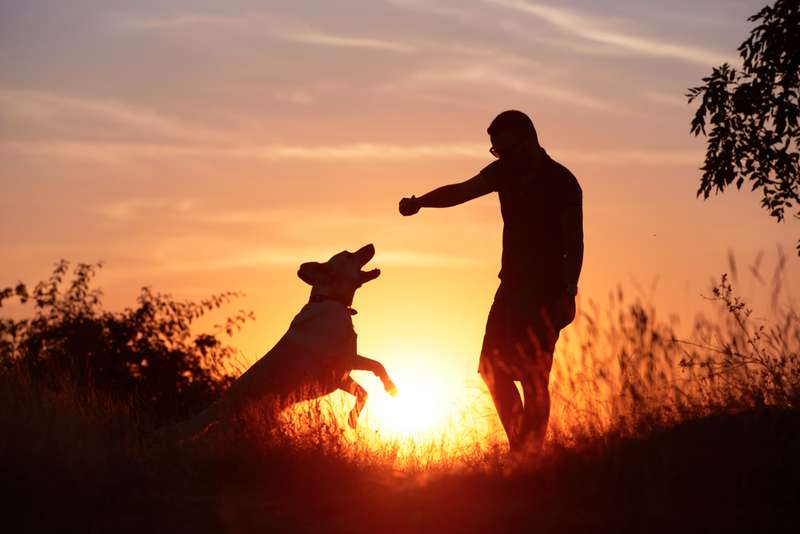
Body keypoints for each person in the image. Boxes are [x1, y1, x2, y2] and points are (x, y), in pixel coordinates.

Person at [398, 110, 583, 453]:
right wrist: (421, 202)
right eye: (496, 152)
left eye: (503, 150)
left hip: (547, 291)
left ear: (526, 140)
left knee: (534, 378)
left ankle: (531, 457)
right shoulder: (505, 173)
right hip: (511, 287)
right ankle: (522, 450)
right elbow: (460, 192)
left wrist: (568, 292)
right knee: (490, 368)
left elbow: (575, 244)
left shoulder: (562, 181)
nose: (499, 157)